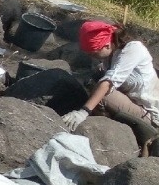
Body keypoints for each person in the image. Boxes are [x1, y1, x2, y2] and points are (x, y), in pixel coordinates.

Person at [63, 20, 159, 148]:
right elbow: (100, 73)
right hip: (131, 102)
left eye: (94, 53)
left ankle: (108, 134)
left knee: (102, 95)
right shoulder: (112, 54)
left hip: (149, 115)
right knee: (94, 84)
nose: (93, 57)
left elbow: (108, 82)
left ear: (107, 45)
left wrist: (83, 112)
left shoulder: (133, 49)